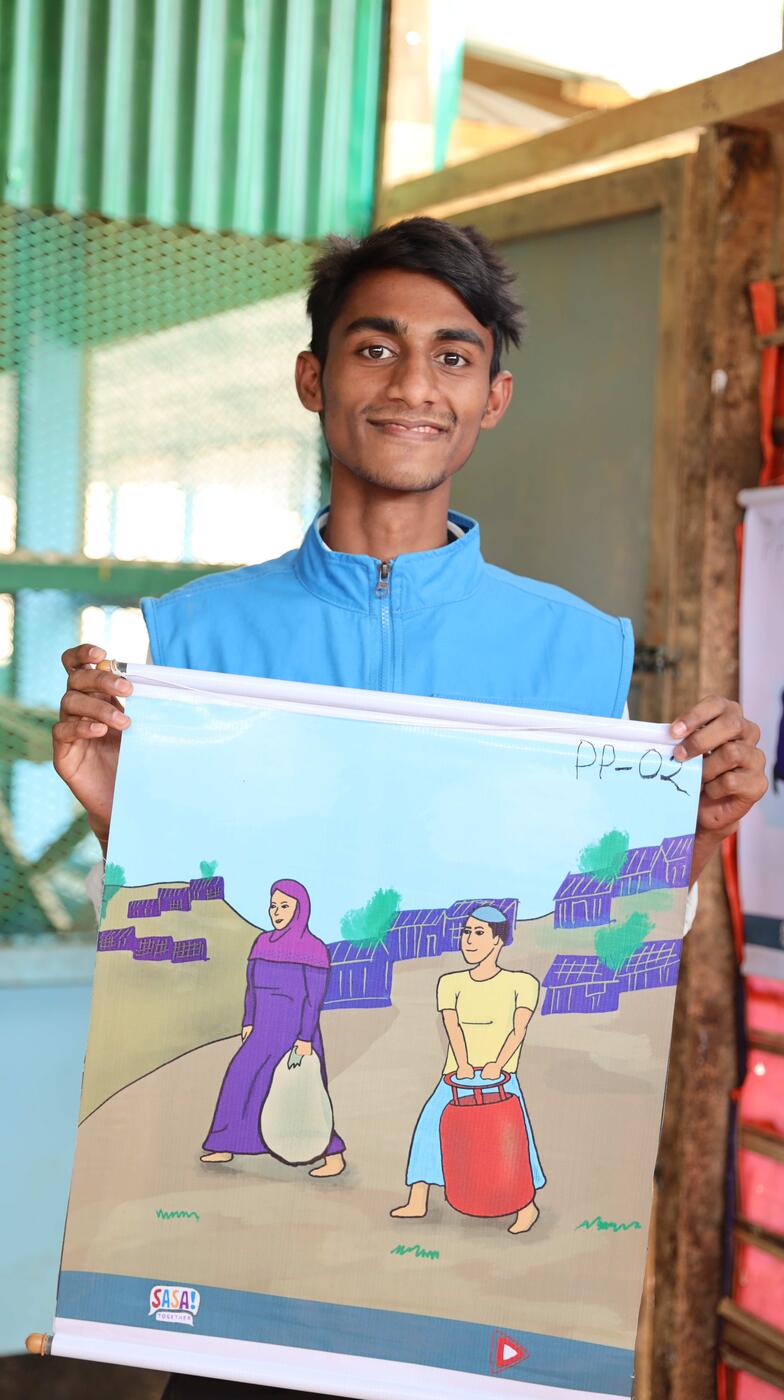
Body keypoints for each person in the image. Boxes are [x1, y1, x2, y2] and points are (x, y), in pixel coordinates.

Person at [53, 216, 768, 1398]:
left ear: (492, 395)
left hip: (470, 1295)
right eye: (374, 348)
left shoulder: (579, 655)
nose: (411, 384)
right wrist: (115, 816)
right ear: (313, 376)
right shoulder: (194, 641)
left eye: (450, 355)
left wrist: (687, 835)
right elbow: (183, 955)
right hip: (250, 1274)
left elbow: (592, 945)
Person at [392, 905, 544, 1234]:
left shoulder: (522, 983)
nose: (469, 940)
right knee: (430, 1125)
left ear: (497, 941)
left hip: (500, 1077)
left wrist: (496, 1064)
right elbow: (453, 1025)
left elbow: (519, 1029)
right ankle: (418, 1199)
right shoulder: (451, 982)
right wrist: (463, 1064)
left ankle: (525, 1206)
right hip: (457, 1076)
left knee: (514, 1139)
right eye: (466, 932)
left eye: (479, 933)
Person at [201, 879, 345, 1177]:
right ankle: (225, 1143)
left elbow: (313, 1000)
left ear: (300, 909)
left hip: (295, 1033)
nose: (276, 912)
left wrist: (305, 1038)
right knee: (240, 1079)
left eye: (284, 906)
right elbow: (251, 987)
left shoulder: (314, 949)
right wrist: (248, 1020)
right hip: (263, 1029)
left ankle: (333, 1155)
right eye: (273, 905)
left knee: (303, 1093)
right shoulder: (262, 942)